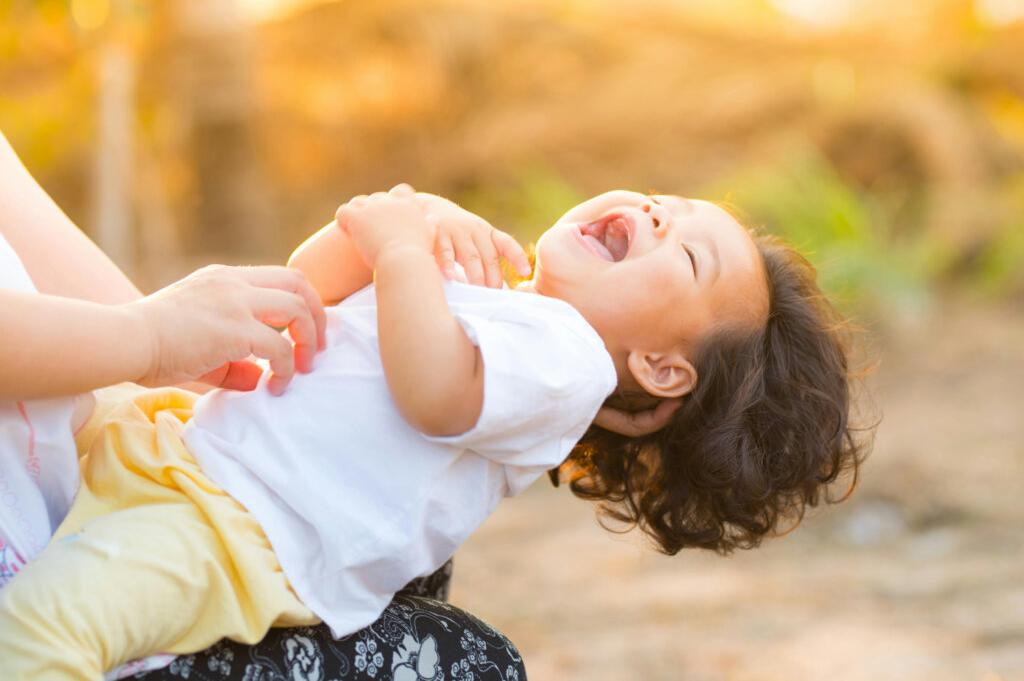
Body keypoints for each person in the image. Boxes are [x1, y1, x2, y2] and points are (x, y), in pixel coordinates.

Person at [0, 183, 867, 679]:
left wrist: (405, 251)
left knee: (42, 635)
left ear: (662, 368)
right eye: (663, 202)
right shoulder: (497, 293)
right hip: (182, 451)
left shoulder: (567, 363)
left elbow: (435, 393)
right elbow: (311, 286)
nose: (653, 217)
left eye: (684, 254)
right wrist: (387, 219)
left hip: (231, 533)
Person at [0, 134, 527, 680]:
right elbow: (321, 284)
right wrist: (150, 336)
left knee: (409, 554)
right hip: (59, 564)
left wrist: (176, 350)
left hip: (96, 465)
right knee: (471, 661)